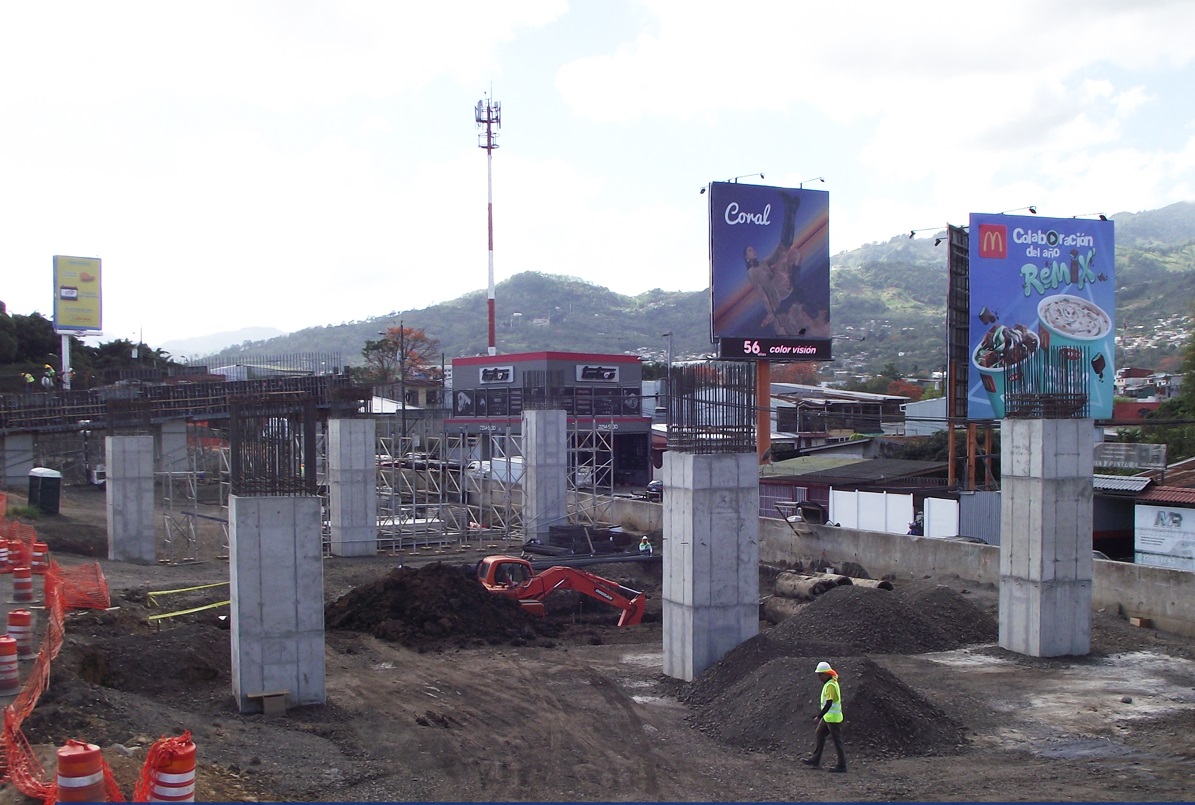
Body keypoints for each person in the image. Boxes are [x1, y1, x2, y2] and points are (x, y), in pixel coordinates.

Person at [801, 660, 847, 773]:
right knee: (819, 733)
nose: (819, 677)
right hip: (828, 717)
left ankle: (842, 765)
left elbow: (829, 703)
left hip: (832, 718)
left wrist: (819, 716)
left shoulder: (830, 685)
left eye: (820, 675)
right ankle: (815, 759)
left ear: (826, 673)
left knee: (837, 741)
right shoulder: (829, 683)